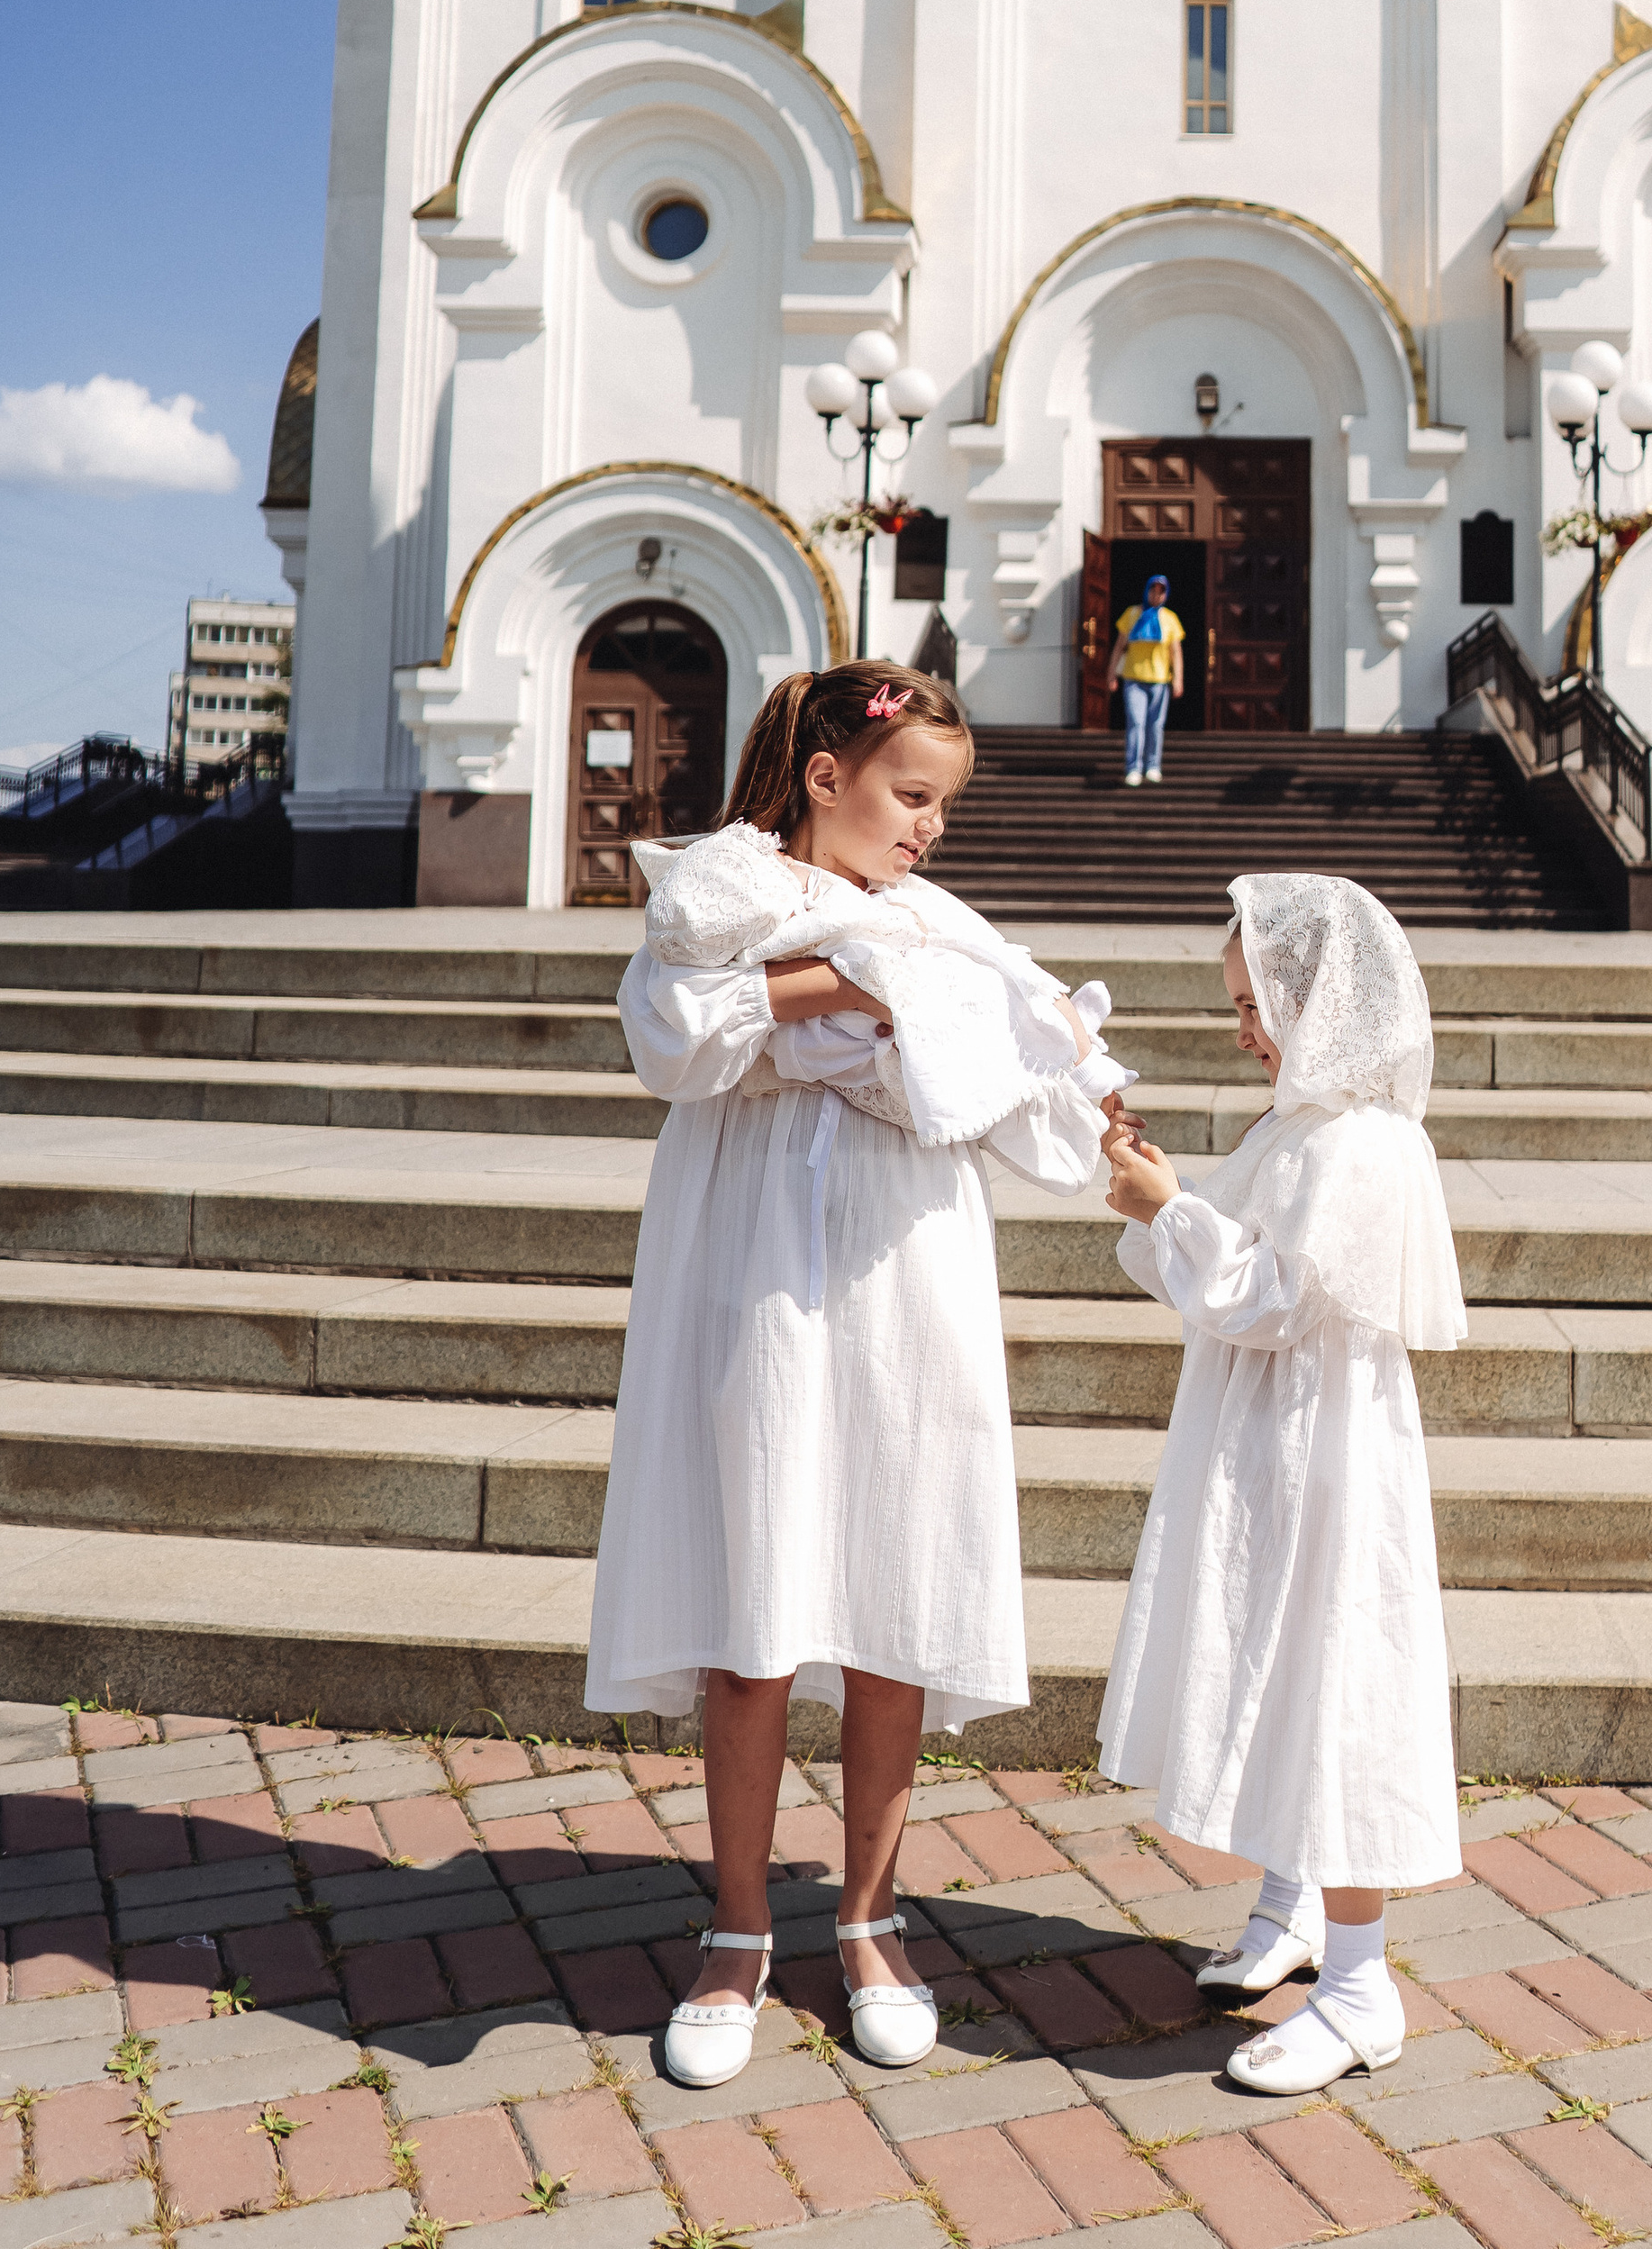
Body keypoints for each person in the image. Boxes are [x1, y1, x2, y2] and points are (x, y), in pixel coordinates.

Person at [584, 660, 1131, 2091]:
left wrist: (877, 1001)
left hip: (907, 1254)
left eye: (944, 805)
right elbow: (680, 1034)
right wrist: (867, 986)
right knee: (754, 1588)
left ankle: (874, 1916)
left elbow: (1034, 1073)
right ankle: (739, 1925)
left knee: (897, 1569)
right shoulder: (721, 886)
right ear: (825, 774)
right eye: (911, 795)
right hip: (748, 1247)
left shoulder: (940, 923)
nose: (930, 829)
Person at [1095, 872, 1465, 2096]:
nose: (1248, 1029)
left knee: (1327, 1664)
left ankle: (1361, 1986)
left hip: (1325, 1447)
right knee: (1272, 1644)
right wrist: (1166, 1210)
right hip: (1271, 1433)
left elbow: (1272, 1295)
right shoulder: (1298, 1130)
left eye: (1261, 1004)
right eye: (1240, 1006)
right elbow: (1230, 1270)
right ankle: (1296, 1895)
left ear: (1324, 1003)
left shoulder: (1361, 1144)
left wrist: (1172, 1214)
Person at [1108, 571, 1185, 784]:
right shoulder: (1132, 614)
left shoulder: (1170, 619)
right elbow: (1119, 647)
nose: (1156, 595)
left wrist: (1178, 679)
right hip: (1134, 678)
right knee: (1136, 721)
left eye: (1161, 592)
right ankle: (1133, 767)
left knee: (1156, 725)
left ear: (1166, 595)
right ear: (1147, 591)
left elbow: (1175, 652)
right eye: (1153, 590)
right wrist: (1111, 673)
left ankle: (1153, 765)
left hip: (1159, 680)